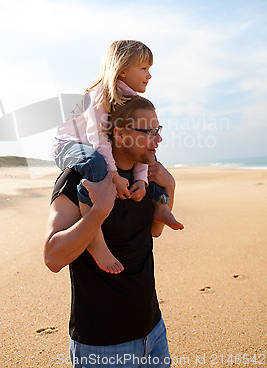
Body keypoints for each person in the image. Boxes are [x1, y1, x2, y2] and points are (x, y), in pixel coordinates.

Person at [44, 96, 178, 367]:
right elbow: (53, 257)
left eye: (158, 130)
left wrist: (170, 189)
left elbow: (154, 232)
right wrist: (99, 210)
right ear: (119, 133)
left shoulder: (144, 177)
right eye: (147, 132)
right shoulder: (79, 179)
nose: (158, 139)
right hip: (102, 344)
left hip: (153, 329)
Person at [52, 40, 183, 273]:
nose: (149, 75)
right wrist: (113, 175)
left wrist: (143, 180)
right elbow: (98, 136)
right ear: (122, 69)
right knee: (95, 165)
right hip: (70, 144)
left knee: (143, 158)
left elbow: (141, 148)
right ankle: (96, 243)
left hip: (96, 149)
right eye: (143, 68)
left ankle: (160, 205)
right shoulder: (100, 94)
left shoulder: (130, 97)